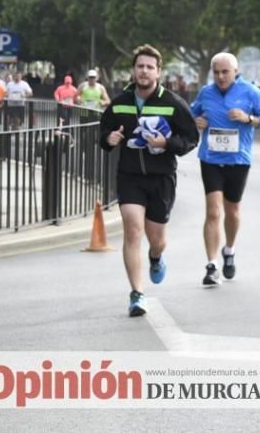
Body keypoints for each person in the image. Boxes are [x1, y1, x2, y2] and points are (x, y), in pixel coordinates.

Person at [99, 45, 198, 317]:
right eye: (140, 66)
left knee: (157, 239)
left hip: (161, 178)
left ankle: (155, 258)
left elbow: (191, 138)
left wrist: (167, 143)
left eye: (149, 67)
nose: (144, 71)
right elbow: (104, 131)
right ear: (134, 69)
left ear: (158, 72)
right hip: (129, 176)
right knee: (132, 231)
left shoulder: (173, 103)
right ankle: (137, 294)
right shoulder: (120, 101)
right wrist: (109, 139)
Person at [190, 52, 260, 285]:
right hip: (211, 159)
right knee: (213, 211)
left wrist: (248, 119)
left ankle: (229, 250)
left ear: (235, 72)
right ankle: (211, 265)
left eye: (225, 72)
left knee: (232, 210)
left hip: (238, 159)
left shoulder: (251, 92)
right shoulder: (206, 93)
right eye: (216, 72)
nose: (220, 76)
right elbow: (191, 112)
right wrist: (197, 121)